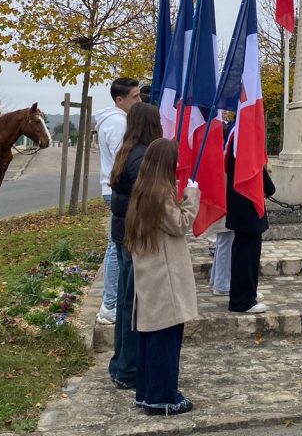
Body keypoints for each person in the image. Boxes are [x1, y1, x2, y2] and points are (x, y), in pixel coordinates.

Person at [124, 138, 199, 416]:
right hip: (163, 278)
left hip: (150, 276)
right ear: (165, 163)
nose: (178, 164)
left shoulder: (142, 190)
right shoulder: (159, 193)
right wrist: (192, 194)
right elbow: (180, 224)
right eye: (174, 160)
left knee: (150, 339)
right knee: (165, 342)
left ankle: (147, 393)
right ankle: (163, 397)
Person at [107, 102, 162, 390]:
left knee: (126, 300)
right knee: (131, 303)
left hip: (122, 232)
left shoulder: (127, 150)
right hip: (134, 234)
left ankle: (120, 364)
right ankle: (128, 368)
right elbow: (149, 201)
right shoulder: (143, 157)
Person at [94, 77, 142, 325]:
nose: (139, 100)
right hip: (117, 190)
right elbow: (121, 159)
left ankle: (113, 300)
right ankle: (109, 304)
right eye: (135, 97)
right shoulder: (116, 123)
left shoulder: (119, 120)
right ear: (119, 99)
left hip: (117, 189)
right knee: (116, 246)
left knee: (117, 245)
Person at [226, 149, 275, 314]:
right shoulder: (243, 134)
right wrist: (269, 187)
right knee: (246, 251)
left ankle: (247, 292)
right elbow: (254, 163)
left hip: (242, 198)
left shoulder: (237, 133)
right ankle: (242, 299)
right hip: (246, 199)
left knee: (247, 250)